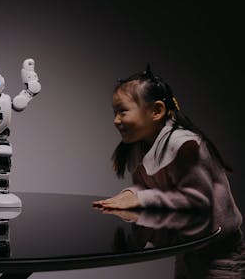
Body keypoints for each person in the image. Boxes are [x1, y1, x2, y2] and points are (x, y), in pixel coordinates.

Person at [92, 65, 242, 234]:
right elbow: (149, 190)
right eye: (114, 113)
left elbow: (197, 201)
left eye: (123, 111)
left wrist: (140, 199)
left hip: (221, 253)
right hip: (188, 250)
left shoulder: (183, 145)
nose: (116, 120)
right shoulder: (140, 145)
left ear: (156, 111)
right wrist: (131, 193)